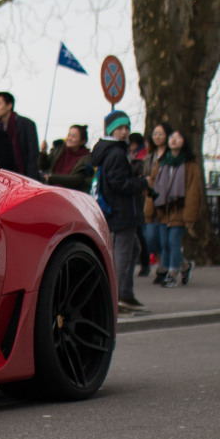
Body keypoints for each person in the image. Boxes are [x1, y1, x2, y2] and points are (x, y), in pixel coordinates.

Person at [91, 110, 150, 313]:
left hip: (118, 210)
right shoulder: (116, 152)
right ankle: (114, 299)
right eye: (120, 128)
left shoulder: (111, 150)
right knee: (124, 253)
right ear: (111, 130)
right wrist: (141, 182)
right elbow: (118, 183)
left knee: (133, 249)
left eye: (126, 127)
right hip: (122, 211)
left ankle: (125, 294)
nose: (124, 131)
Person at [144, 129, 204, 288]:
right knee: (164, 243)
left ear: (184, 141)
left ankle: (172, 274)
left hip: (180, 209)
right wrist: (149, 209)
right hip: (163, 210)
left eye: (178, 137)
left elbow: (193, 191)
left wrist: (189, 216)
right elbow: (153, 186)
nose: (174, 140)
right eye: (172, 137)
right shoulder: (162, 163)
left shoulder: (190, 164)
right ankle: (184, 265)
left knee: (173, 242)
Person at [139, 122, 173, 273]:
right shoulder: (150, 155)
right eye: (155, 134)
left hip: (167, 201)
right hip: (150, 200)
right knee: (150, 237)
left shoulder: (172, 155)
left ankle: (163, 268)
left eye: (161, 134)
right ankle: (182, 264)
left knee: (164, 239)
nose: (157, 137)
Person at [0, 91, 41, 180]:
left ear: (9, 105)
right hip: (3, 177)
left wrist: (31, 179)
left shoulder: (27, 124)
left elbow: (33, 153)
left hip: (24, 175)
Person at [37, 124, 92, 190]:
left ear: (82, 141)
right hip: (50, 190)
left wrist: (51, 178)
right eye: (69, 135)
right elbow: (43, 166)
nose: (69, 138)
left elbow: (77, 180)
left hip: (70, 195)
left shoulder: (86, 158)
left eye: (74, 136)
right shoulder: (59, 149)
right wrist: (43, 153)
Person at [127, 132, 150, 275]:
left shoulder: (139, 156)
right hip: (135, 199)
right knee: (139, 233)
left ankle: (145, 264)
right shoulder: (138, 154)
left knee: (140, 233)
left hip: (137, 199)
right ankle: (144, 264)